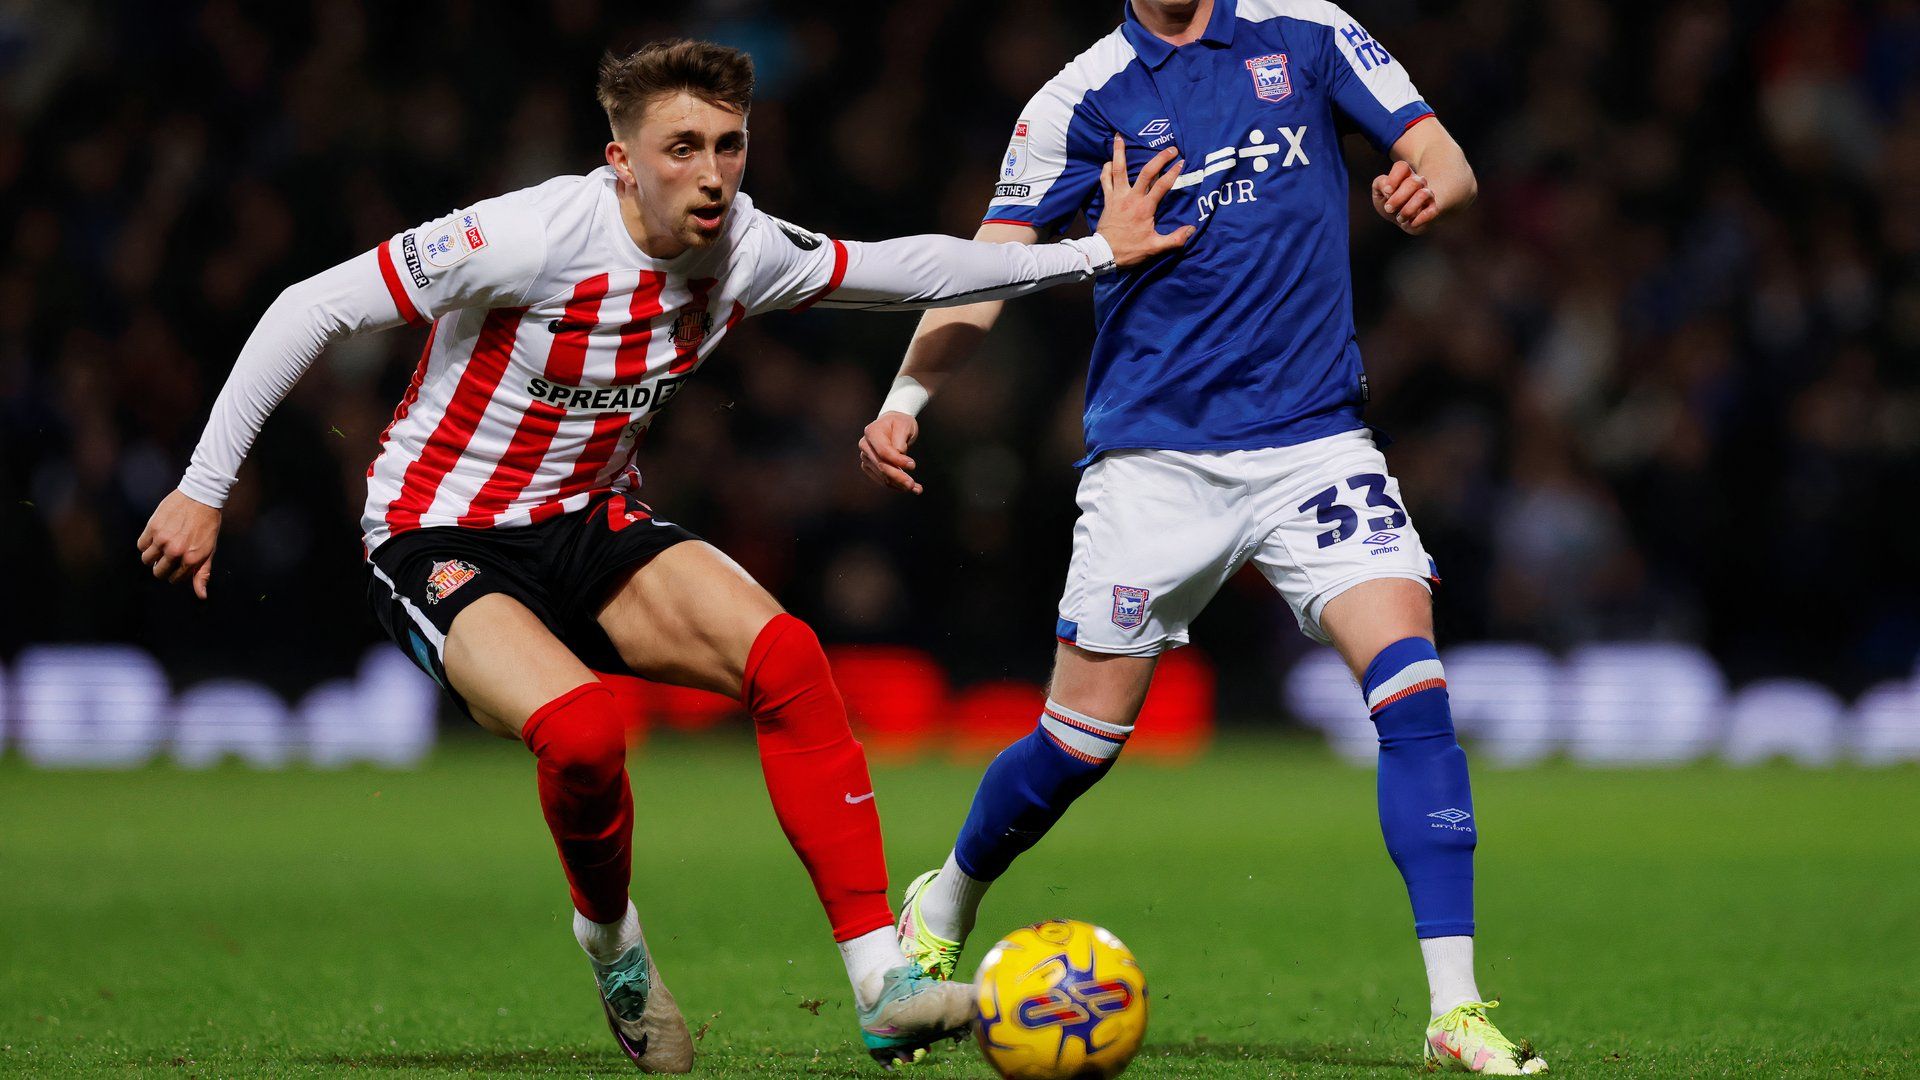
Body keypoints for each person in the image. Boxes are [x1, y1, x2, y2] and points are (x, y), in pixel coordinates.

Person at [137, 39, 1189, 1072]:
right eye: (682, 147)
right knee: (586, 736)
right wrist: (203, 484)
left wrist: (1095, 252)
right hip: (436, 535)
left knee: (789, 659)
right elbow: (310, 305)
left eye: (730, 146)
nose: (713, 173)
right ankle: (613, 948)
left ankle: (884, 984)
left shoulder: (748, 248)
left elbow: (906, 266)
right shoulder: (531, 233)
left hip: (590, 518)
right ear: (621, 160)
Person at [858, 1, 1545, 1073]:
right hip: (1155, 464)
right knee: (1079, 746)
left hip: (1316, 443)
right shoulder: (1077, 98)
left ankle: (1453, 1013)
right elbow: (989, 264)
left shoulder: (1306, 29)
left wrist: (1436, 186)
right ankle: (943, 904)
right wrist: (906, 398)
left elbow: (1441, 155)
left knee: (1414, 693)